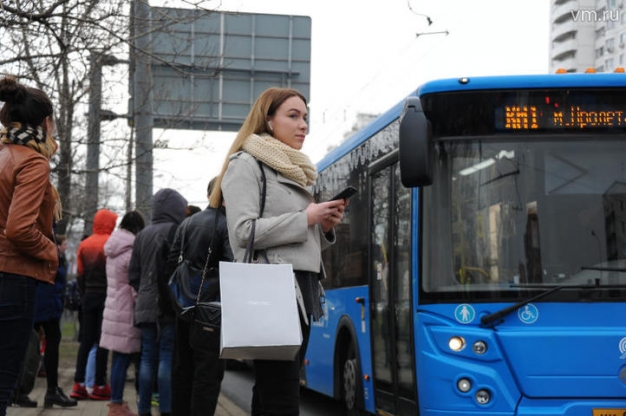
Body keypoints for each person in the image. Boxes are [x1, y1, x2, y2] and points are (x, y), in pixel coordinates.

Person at [210, 87, 346, 415]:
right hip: (272, 292)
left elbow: (296, 231)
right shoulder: (246, 164)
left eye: (305, 118)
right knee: (282, 396)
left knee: (273, 391)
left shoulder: (294, 169)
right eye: (293, 116)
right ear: (269, 120)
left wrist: (323, 225)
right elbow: (242, 233)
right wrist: (306, 217)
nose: (304, 125)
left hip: (302, 290)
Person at [0, 75, 61, 416]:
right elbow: (19, 229)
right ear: (44, 121)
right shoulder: (33, 162)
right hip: (13, 277)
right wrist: (51, 250)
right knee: (4, 380)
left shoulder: (2, 154)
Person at [168, 179, 233, 416]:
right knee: (208, 375)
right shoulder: (227, 225)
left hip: (183, 306)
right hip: (212, 311)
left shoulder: (187, 223)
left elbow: (171, 261)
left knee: (182, 369)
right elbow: (232, 268)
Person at [129, 188, 188, 416]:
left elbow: (133, 274)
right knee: (166, 356)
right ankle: (165, 409)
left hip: (144, 305)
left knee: (146, 359)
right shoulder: (177, 231)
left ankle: (143, 409)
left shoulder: (142, 234)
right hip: (169, 306)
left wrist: (143, 290)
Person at [70, 208, 119, 401]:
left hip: (88, 296)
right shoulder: (112, 243)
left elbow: (80, 275)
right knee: (103, 342)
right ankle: (99, 384)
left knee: (86, 341)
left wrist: (84, 294)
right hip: (107, 297)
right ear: (110, 223)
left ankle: (78, 384)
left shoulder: (84, 244)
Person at [101, 211, 145, 416]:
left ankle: (116, 404)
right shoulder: (130, 251)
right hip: (127, 309)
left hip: (113, 308)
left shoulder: (113, 249)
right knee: (123, 359)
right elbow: (134, 283)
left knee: (118, 357)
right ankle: (117, 407)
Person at [32, 234, 78, 408]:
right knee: (52, 342)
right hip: (48, 303)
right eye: (64, 244)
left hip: (44, 301)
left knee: (34, 342)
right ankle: (51, 390)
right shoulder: (49, 249)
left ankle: (19, 390)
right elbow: (54, 277)